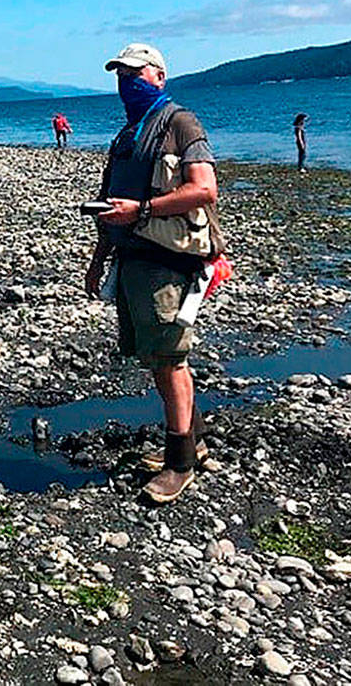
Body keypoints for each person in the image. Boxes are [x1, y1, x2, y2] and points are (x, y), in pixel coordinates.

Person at [85, 43, 225, 505]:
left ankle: (179, 464)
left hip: (170, 260)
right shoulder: (127, 135)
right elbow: (110, 204)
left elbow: (204, 190)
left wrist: (142, 209)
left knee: (169, 360)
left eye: (135, 74)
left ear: (159, 76)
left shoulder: (181, 124)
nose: (127, 83)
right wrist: (100, 257)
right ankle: (193, 439)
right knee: (157, 357)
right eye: (121, 76)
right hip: (134, 259)